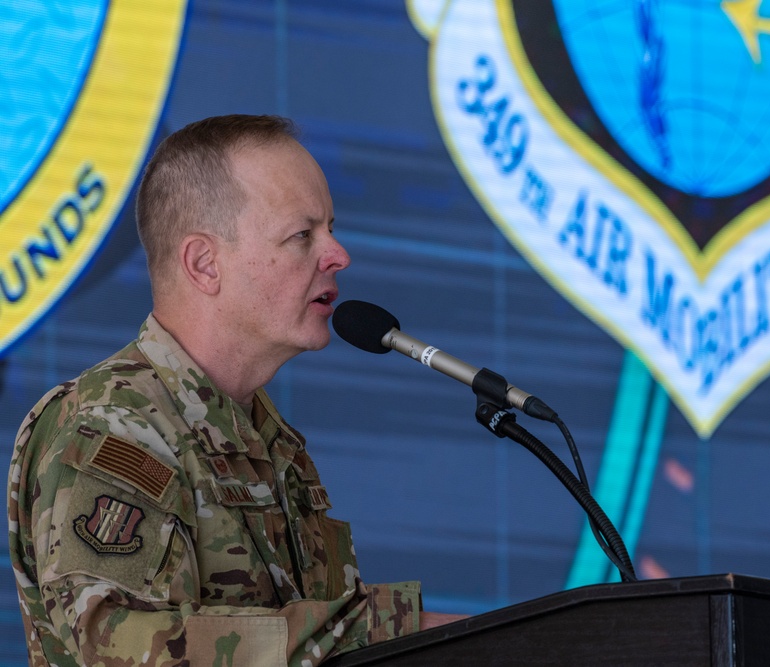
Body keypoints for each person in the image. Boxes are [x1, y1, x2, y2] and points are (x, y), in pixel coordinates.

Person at [8, 115, 461, 666]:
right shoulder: (113, 425)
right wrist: (387, 631)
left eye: (331, 229)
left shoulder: (265, 435)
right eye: (303, 235)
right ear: (205, 264)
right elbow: (119, 645)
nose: (338, 255)